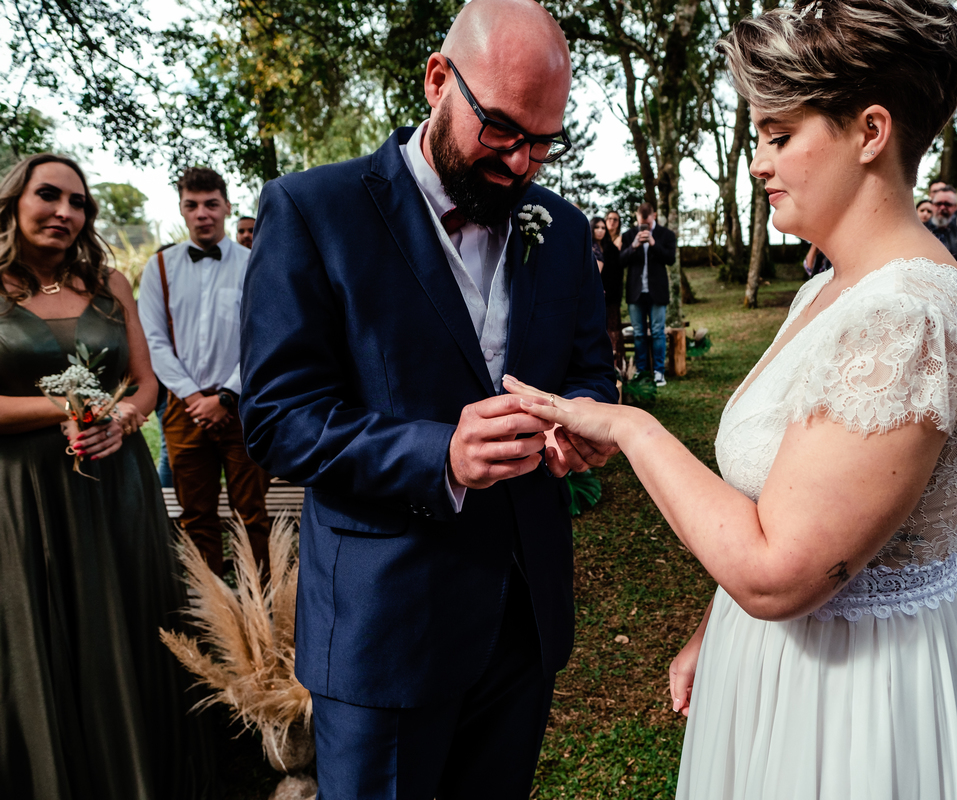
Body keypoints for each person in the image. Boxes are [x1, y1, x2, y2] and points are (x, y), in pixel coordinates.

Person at [505, 0, 957, 795]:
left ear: (871, 133)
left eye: (779, 136)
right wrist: (711, 626)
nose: (758, 163)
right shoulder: (830, 291)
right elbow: (783, 498)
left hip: (861, 695)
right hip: (772, 658)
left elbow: (778, 571)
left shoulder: (907, 320)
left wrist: (632, 427)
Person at [237, 1, 618, 797]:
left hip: (523, 618)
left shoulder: (564, 227)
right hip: (387, 626)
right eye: (504, 130)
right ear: (439, 80)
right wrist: (437, 454)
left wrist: (583, 422)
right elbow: (277, 415)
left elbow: (588, 371)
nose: (522, 165)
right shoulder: (313, 211)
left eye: (545, 142)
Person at [0, 154, 215, 799]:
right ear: (14, 201)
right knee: (44, 634)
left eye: (78, 202)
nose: (66, 212)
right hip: (23, 496)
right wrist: (62, 407)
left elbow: (145, 383)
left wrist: (120, 417)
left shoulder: (110, 284)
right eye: (49, 196)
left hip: (117, 489)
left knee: (128, 628)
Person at [138, 167, 271, 576]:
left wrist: (227, 396)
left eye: (211, 204)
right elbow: (153, 341)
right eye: (192, 205)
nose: (202, 214)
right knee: (196, 513)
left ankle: (262, 602)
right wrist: (195, 398)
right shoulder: (159, 267)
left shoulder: (254, 263)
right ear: (181, 210)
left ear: (226, 207)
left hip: (242, 406)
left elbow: (262, 335)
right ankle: (211, 602)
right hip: (183, 408)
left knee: (251, 510)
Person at [620, 201, 677, 387]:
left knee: (658, 332)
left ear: (654, 216)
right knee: (638, 334)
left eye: (648, 222)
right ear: (637, 217)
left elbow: (670, 259)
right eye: (642, 221)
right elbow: (620, 261)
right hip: (635, 292)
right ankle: (642, 371)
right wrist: (634, 246)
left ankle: (659, 371)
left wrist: (653, 243)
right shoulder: (628, 235)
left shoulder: (666, 234)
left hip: (657, 292)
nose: (645, 225)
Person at [592, 215, 624, 369]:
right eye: (597, 227)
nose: (600, 231)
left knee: (613, 332)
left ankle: (616, 366)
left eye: (603, 228)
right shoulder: (588, 247)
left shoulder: (610, 248)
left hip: (611, 298)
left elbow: (617, 273)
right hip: (594, 298)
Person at [926, 186, 957, 275]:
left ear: (955, 207)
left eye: (947, 204)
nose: (943, 207)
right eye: (938, 203)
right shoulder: (920, 231)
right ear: (932, 205)